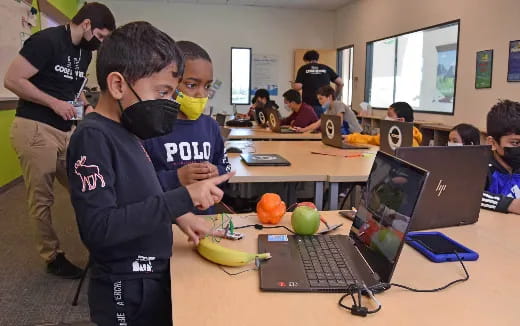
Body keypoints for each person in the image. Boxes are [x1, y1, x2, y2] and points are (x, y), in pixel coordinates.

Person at [66, 22, 233, 325]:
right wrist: (181, 198)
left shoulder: (130, 130)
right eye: (163, 92)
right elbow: (100, 228)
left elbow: (138, 191)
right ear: (118, 85)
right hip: (125, 285)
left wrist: (183, 217)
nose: (170, 103)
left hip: (150, 272)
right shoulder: (93, 138)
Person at [4, 2, 115, 278]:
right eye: (100, 37)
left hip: (65, 131)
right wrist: (54, 103)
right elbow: (12, 79)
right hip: (35, 127)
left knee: (85, 186)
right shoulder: (45, 41)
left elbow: (74, 90)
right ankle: (52, 256)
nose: (99, 45)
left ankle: (100, 243)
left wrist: (87, 107)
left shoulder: (84, 54)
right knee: (42, 198)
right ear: (87, 25)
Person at [143, 40, 231, 214]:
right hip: (167, 223)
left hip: (205, 220)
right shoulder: (149, 128)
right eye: (191, 85)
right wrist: (176, 178)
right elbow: (139, 183)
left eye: (207, 86)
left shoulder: (210, 126)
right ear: (171, 83)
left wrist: (216, 173)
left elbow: (225, 165)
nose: (201, 94)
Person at [481, 100, 520, 214]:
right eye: (515, 143)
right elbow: (470, 196)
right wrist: (510, 204)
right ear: (492, 143)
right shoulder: (482, 169)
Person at [344, 102, 422, 146]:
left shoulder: (411, 143)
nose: (386, 118)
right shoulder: (391, 135)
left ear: (401, 120)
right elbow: (372, 139)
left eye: (390, 116)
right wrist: (350, 138)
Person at [292, 50, 344, 117]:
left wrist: (293, 85)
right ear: (317, 58)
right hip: (325, 104)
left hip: (310, 104)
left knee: (312, 125)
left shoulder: (303, 69)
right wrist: (334, 96)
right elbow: (341, 83)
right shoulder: (326, 68)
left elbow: (298, 87)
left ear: (306, 60)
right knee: (324, 125)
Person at [293, 85, 362, 134]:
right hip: (348, 135)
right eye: (318, 99)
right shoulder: (328, 109)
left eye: (321, 98)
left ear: (329, 97)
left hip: (357, 135)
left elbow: (339, 123)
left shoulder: (338, 104)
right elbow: (317, 124)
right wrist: (302, 130)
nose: (319, 102)